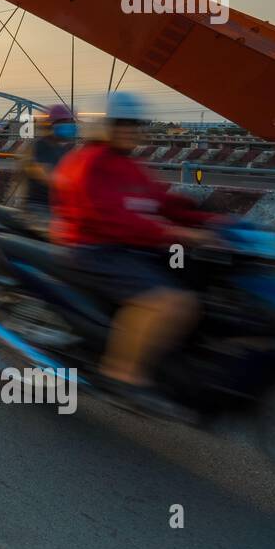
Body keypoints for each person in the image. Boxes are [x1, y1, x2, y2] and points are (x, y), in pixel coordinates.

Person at [50, 91, 218, 419]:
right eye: (122, 124)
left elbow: (162, 202)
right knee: (170, 301)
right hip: (92, 251)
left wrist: (217, 222)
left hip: (127, 248)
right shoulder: (88, 164)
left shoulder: (127, 164)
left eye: (134, 124)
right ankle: (123, 373)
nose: (130, 130)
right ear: (103, 126)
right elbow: (111, 218)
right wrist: (175, 233)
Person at [20, 104, 77, 212]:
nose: (70, 125)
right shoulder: (39, 146)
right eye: (65, 122)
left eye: (71, 122)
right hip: (40, 206)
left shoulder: (68, 147)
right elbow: (39, 170)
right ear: (52, 125)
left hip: (60, 206)